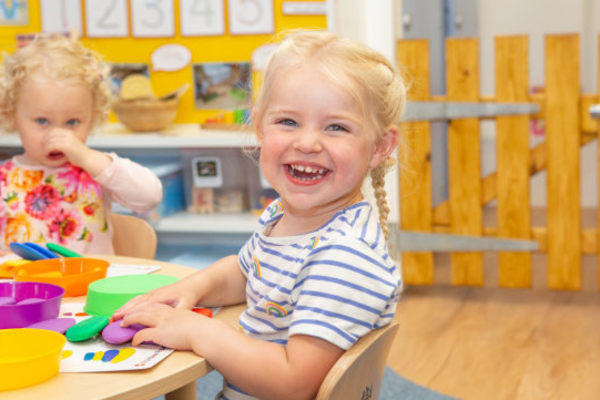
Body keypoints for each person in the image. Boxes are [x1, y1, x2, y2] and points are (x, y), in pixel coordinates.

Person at [114, 30, 406, 400]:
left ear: (380, 146)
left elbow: (294, 383)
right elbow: (247, 269)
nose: (307, 142)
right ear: (259, 127)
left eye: (336, 127)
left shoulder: (343, 256)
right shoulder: (284, 216)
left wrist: (195, 331)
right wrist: (192, 288)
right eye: (287, 121)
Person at [0, 34, 162, 254]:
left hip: (91, 288)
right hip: (25, 288)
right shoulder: (4, 180)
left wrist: (88, 157)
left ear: (92, 116)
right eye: (42, 121)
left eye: (72, 122)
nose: (58, 135)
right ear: (11, 114)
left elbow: (150, 197)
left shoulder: (95, 170)